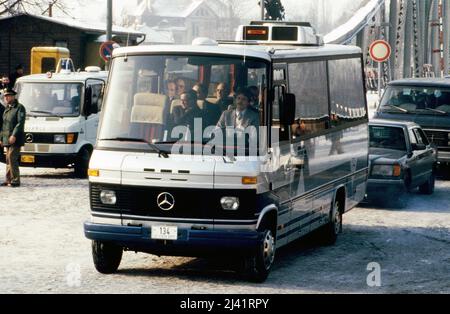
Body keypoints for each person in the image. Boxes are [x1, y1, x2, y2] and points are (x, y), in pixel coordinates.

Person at [0, 88, 26, 187]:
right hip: (7, 138)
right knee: (8, 159)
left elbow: (20, 123)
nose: (6, 98)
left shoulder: (19, 107)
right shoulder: (7, 108)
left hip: (15, 138)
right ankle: (8, 180)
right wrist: (1, 138)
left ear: (13, 96)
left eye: (8, 96)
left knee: (12, 157)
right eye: (5, 96)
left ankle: (15, 180)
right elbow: (4, 125)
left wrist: (14, 135)